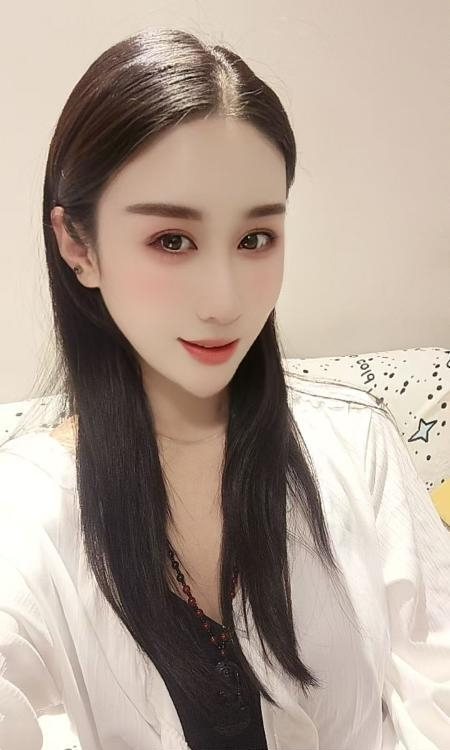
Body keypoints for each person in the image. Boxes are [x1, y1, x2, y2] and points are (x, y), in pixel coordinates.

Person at [0, 27, 449, 750]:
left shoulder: (357, 443)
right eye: (171, 240)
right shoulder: (25, 506)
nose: (225, 301)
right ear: (78, 245)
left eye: (255, 239)